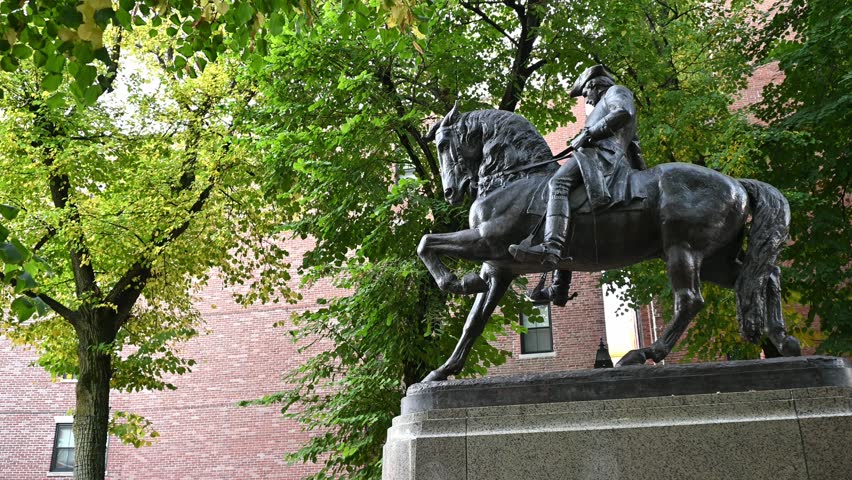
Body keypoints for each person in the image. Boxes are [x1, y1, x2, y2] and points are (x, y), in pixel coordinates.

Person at [509, 65, 645, 268]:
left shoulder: (616, 92)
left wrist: (587, 134)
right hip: (598, 157)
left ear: (595, 86)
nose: (587, 99)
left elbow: (623, 112)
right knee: (571, 207)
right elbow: (634, 145)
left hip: (602, 157)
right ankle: (559, 285)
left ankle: (551, 248)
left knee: (558, 182)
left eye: (585, 93)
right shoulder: (602, 105)